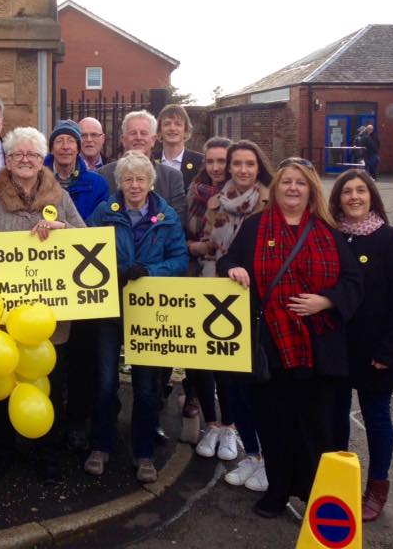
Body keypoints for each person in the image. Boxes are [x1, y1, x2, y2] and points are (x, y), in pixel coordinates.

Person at [218, 157, 362, 518]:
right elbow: (228, 260)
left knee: (318, 427)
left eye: (300, 182)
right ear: (277, 188)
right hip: (273, 343)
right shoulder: (254, 227)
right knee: (275, 423)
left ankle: (318, 498)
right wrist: (233, 267)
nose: (293, 188)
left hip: (319, 345)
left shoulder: (327, 230)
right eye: (286, 182)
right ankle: (277, 491)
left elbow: (353, 282)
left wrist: (325, 301)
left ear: (310, 189)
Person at [0, 126, 86, 483]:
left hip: (51, 316)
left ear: (42, 158)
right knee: (2, 384)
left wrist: (63, 229)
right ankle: (2, 450)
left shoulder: (59, 196)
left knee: (51, 382)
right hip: (2, 315)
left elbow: (87, 239)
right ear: (9, 158)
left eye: (33, 154)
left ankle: (48, 454)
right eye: (18, 154)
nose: (25, 160)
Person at [84, 151, 188, 483]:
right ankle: (100, 445)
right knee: (105, 383)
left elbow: (180, 259)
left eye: (140, 179)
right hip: (110, 308)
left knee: (146, 387)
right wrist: (117, 272)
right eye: (128, 179)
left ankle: (143, 453)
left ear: (150, 182)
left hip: (149, 311)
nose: (134, 185)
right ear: (120, 182)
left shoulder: (167, 216)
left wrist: (150, 271)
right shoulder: (104, 212)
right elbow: (85, 252)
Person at [329, 168, 393, 522]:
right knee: (335, 418)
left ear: (371, 197)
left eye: (360, 191)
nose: (354, 197)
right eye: (347, 191)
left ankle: (377, 487)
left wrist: (389, 351)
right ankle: (337, 483)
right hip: (337, 347)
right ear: (338, 199)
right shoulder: (333, 237)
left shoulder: (392, 241)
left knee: (376, 417)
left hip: (377, 351)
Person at [196, 140, 273, 492]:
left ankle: (264, 458)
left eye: (249, 164)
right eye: (237, 164)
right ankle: (245, 446)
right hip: (219, 291)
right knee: (228, 375)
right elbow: (206, 243)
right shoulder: (216, 203)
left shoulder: (270, 203)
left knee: (259, 380)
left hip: (260, 300)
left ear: (259, 168)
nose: (242, 170)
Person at [43, 119, 109, 451]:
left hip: (82, 281)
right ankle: (46, 421)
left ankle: (77, 422)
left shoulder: (96, 184)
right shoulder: (37, 180)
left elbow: (99, 229)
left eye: (72, 141)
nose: (66, 146)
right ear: (51, 147)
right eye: (60, 141)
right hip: (46, 281)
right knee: (51, 357)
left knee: (82, 357)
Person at [178, 137, 230, 424]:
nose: (215, 167)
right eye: (210, 161)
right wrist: (192, 246)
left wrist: (205, 247)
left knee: (225, 357)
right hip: (195, 274)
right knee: (200, 355)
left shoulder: (241, 194)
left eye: (221, 161)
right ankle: (210, 421)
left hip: (226, 278)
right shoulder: (194, 192)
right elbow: (187, 227)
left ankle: (229, 424)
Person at [99, 110, 187, 224]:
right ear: (123, 140)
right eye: (133, 133)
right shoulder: (104, 175)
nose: (138, 137)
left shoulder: (172, 177)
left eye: (144, 133)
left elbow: (178, 222)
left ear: (153, 140)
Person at [157, 104, 203, 190]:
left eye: (178, 124)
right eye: (167, 124)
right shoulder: (149, 160)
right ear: (159, 131)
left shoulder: (200, 162)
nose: (172, 128)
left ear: (186, 131)